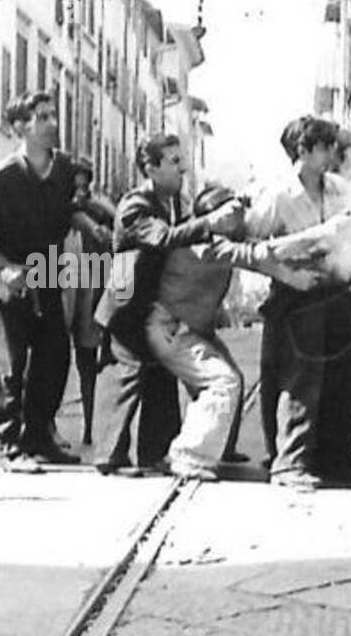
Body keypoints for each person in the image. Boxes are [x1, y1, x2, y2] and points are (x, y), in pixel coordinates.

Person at [146, 180, 322, 482]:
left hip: (190, 329)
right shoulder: (204, 243)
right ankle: (189, 456)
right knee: (222, 382)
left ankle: (220, 447)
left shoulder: (215, 239)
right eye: (236, 211)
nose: (244, 217)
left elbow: (257, 255)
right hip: (172, 329)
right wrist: (314, 247)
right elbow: (255, 256)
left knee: (233, 378)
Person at [92, 134, 241, 476]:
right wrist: (210, 223)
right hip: (126, 303)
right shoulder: (135, 205)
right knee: (125, 376)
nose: (183, 168)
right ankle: (108, 457)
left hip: (152, 303)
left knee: (159, 378)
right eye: (174, 162)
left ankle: (156, 453)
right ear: (151, 167)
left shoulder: (173, 202)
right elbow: (162, 238)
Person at [0, 91, 82, 472]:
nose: (52, 123)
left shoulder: (62, 169)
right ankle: (11, 448)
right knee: (9, 365)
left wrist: (93, 225)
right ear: (20, 127)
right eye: (42, 117)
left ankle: (40, 437)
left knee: (55, 357)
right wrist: (2, 265)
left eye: (53, 115)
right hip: (10, 279)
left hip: (48, 275)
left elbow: (68, 212)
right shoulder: (3, 176)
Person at [244, 116, 351, 490]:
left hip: (337, 288)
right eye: (324, 147)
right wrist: (290, 271)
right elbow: (252, 249)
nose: (331, 155)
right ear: (302, 151)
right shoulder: (276, 196)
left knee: (340, 375)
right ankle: (289, 463)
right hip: (296, 295)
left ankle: (335, 461)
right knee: (300, 378)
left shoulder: (340, 188)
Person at [60, 157, 116, 445]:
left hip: (87, 292)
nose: (80, 190)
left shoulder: (97, 212)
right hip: (55, 287)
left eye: (84, 185)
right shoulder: (55, 207)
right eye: (75, 184)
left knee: (87, 363)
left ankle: (90, 427)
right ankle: (46, 428)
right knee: (52, 363)